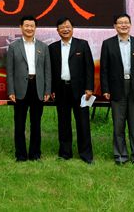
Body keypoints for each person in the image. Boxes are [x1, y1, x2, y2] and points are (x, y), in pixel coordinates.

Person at [100, 13, 134, 166]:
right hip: (116, 88)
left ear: (130, 25)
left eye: (126, 22)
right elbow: (104, 69)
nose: (123, 25)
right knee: (118, 125)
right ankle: (120, 156)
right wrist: (105, 89)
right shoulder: (108, 44)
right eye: (120, 23)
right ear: (115, 26)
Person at [49, 17, 95, 164]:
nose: (65, 29)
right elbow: (50, 71)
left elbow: (89, 67)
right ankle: (65, 153)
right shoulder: (53, 48)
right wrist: (51, 89)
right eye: (62, 27)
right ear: (57, 30)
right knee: (63, 122)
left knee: (83, 122)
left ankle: (86, 154)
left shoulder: (82, 45)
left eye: (68, 26)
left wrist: (89, 88)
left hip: (80, 91)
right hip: (61, 89)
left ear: (72, 28)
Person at [6, 15, 52, 161]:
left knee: (36, 123)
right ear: (21, 27)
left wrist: (47, 90)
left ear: (35, 28)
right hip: (20, 88)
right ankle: (20, 155)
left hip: (37, 87)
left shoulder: (43, 47)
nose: (29, 28)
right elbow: (10, 71)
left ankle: (35, 154)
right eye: (26, 25)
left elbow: (47, 70)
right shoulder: (14, 46)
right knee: (19, 124)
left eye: (32, 26)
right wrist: (11, 90)